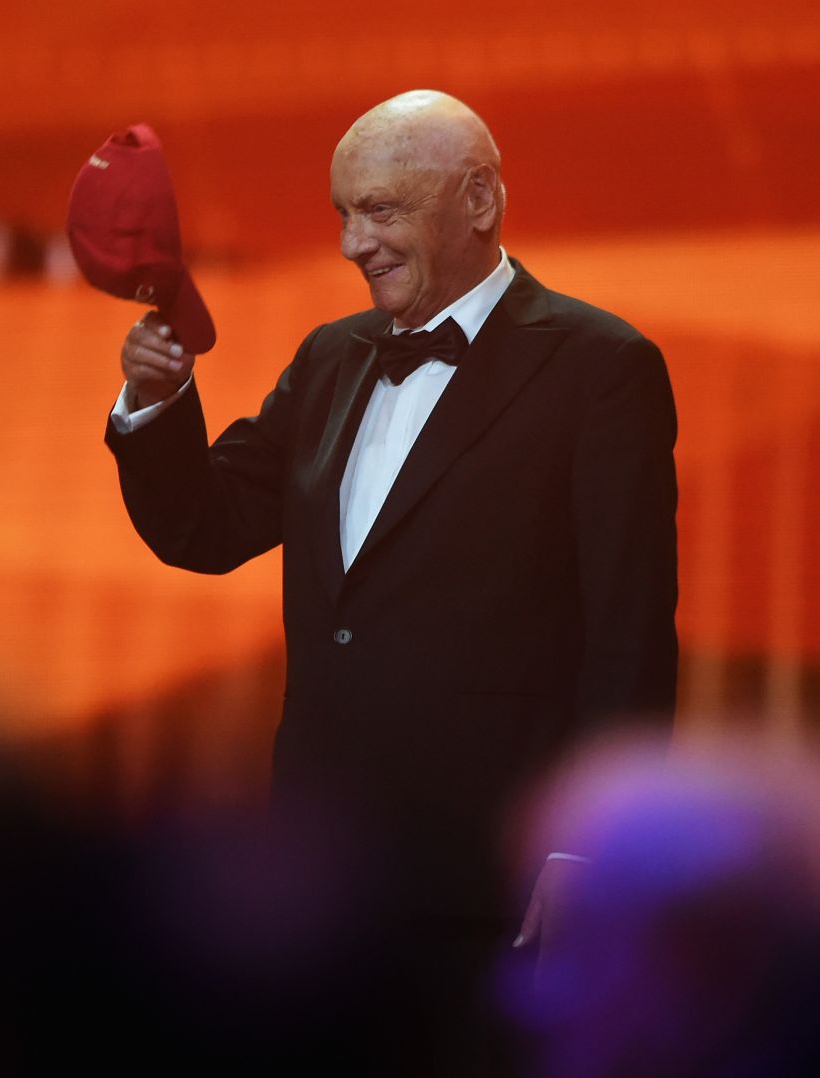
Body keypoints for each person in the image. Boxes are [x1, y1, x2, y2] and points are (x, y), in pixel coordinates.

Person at [105, 89, 677, 1064]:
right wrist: (156, 406)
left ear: (479, 199)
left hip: (492, 878)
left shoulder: (599, 366)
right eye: (341, 213)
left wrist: (589, 853)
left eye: (379, 210)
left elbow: (629, 633)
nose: (350, 244)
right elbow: (205, 525)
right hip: (322, 876)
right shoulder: (331, 357)